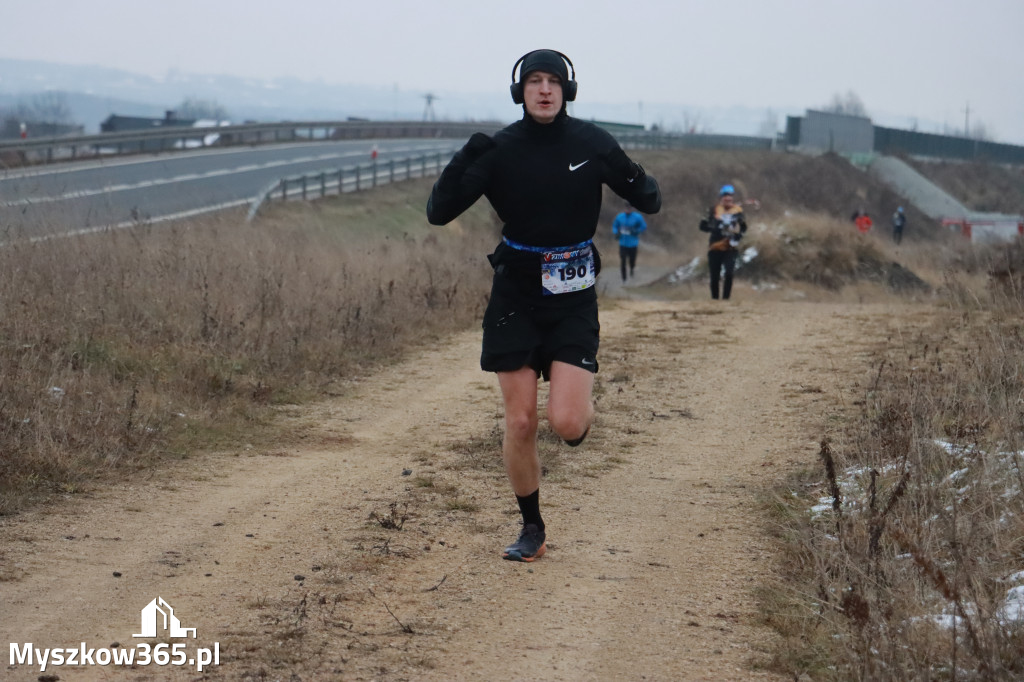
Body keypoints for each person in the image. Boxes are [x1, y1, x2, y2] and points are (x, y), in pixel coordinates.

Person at [426, 49, 661, 562]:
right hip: (516, 293)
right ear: (521, 91)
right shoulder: (499, 149)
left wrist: (631, 171)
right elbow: (438, 212)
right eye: (534, 81)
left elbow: (649, 198)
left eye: (553, 80)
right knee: (520, 422)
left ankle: (579, 412)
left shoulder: (592, 142)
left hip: (572, 296)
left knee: (568, 423)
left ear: (567, 90)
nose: (544, 89)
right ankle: (531, 527)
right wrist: (464, 158)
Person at [699, 184, 747, 300]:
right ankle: (715, 299)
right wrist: (714, 228)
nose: (728, 198)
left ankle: (726, 299)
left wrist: (738, 236)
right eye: (725, 195)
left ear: (733, 198)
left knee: (729, 273)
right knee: (714, 276)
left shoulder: (738, 211)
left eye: (730, 196)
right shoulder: (713, 210)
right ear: (721, 197)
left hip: (731, 247)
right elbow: (702, 226)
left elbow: (744, 227)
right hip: (715, 246)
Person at [612, 201, 648, 282]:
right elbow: (615, 226)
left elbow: (644, 226)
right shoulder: (620, 217)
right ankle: (624, 278)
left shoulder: (637, 217)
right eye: (626, 208)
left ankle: (632, 269)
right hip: (623, 243)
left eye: (629, 208)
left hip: (633, 243)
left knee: (632, 260)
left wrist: (636, 231)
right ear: (624, 208)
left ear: (632, 208)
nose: (627, 210)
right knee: (623, 260)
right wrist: (616, 232)